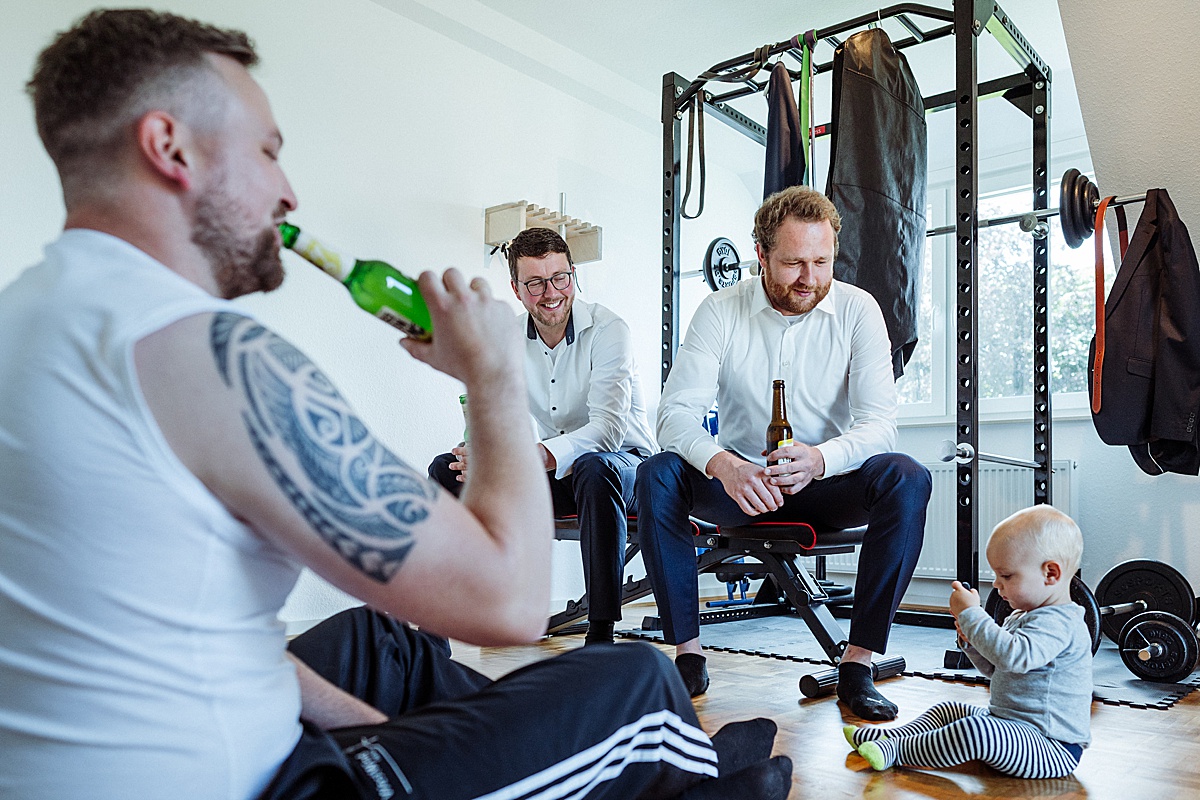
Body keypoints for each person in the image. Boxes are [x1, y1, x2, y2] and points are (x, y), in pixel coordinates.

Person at [0, 10, 793, 800]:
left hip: (128, 750)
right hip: (257, 786)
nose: (287, 191)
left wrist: (390, 733)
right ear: (170, 148)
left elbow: (208, 637)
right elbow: (511, 603)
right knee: (629, 679)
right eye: (268, 152)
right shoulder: (208, 356)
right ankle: (692, 778)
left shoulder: (31, 318)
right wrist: (489, 377)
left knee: (388, 645)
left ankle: (604, 762)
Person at [636, 185, 931, 719]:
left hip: (825, 484)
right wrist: (724, 465)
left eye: (821, 262)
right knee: (657, 473)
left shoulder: (859, 310)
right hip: (739, 488)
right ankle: (688, 655)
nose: (810, 279)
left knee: (907, 475)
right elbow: (673, 417)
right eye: (793, 263)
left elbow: (879, 426)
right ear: (761, 255)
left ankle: (858, 665)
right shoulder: (720, 311)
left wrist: (820, 458)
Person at [428, 226, 657, 645]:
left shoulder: (610, 330)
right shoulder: (509, 337)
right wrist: (480, 453)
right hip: (560, 470)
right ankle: (446, 623)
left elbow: (607, 432)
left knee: (593, 467)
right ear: (516, 289)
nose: (550, 293)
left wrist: (524, 457)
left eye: (559, 278)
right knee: (447, 470)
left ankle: (601, 632)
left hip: (629, 471)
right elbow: (497, 418)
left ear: (573, 275)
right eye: (534, 283)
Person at [845, 505, 1091, 779]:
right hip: (1012, 726)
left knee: (975, 732)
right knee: (948, 709)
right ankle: (889, 737)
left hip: (1050, 747)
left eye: (1007, 576)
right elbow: (998, 669)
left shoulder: (1060, 621)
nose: (997, 585)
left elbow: (1014, 657)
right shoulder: (1024, 616)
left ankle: (897, 750)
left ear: (1051, 574)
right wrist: (971, 643)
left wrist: (973, 616)